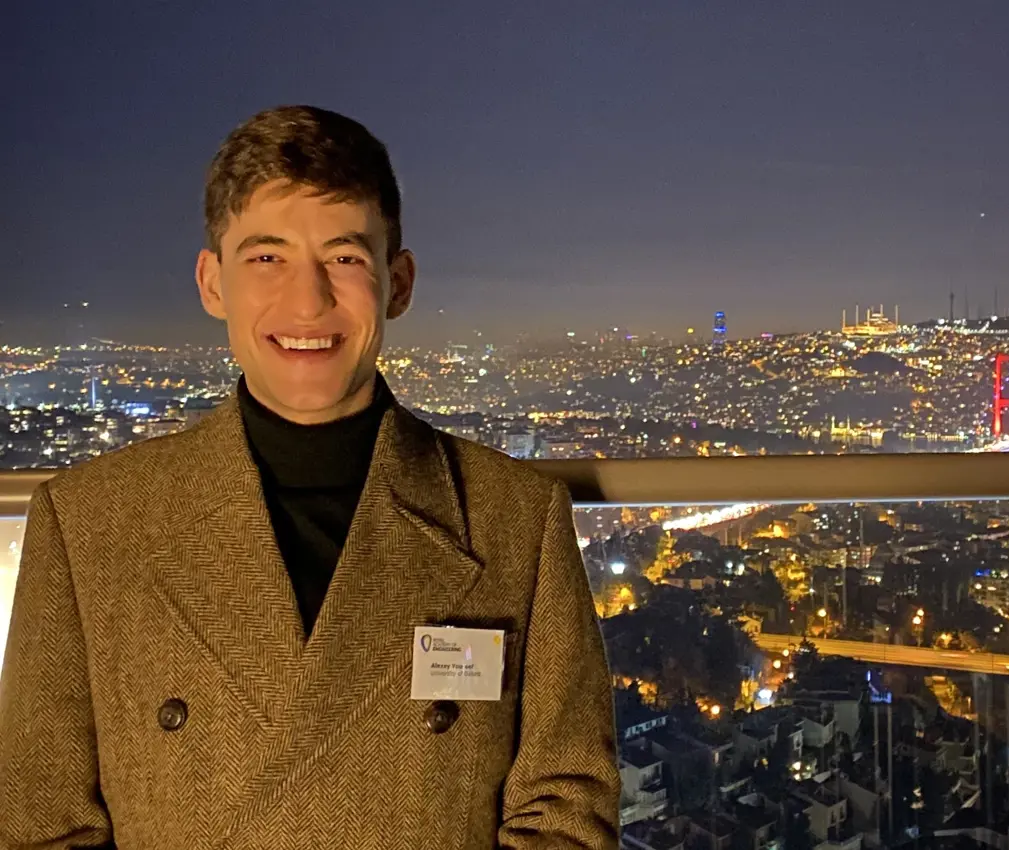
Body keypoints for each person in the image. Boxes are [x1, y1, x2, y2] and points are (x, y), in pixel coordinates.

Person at [0, 105, 620, 849]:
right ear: (212, 283)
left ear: (398, 282)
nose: (308, 301)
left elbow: (566, 815)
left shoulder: (517, 521)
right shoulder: (87, 525)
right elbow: (41, 822)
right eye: (267, 258)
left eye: (345, 258)